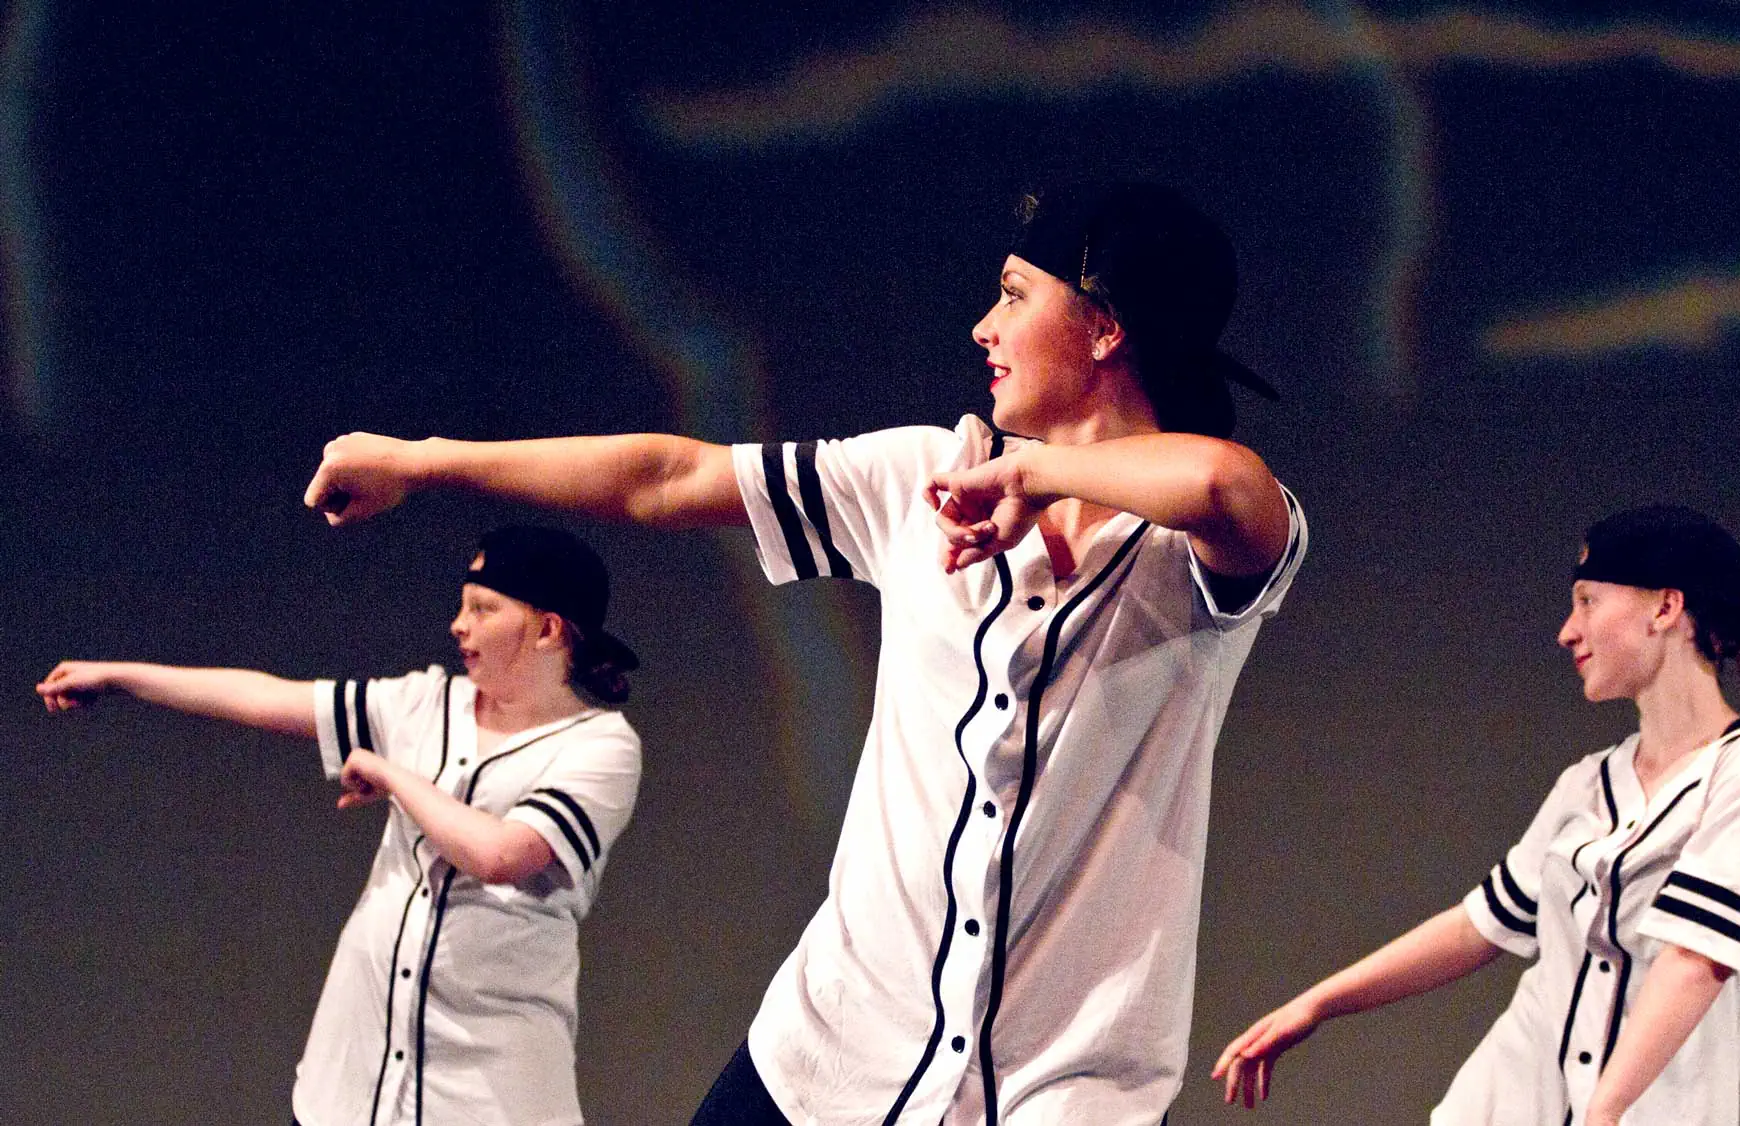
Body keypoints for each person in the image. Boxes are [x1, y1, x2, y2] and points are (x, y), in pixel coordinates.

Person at [300, 182, 1309, 1125]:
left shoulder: (1194, 554)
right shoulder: (919, 477)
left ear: (1103, 325)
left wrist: (1039, 474)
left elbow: (1223, 483)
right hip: (827, 1061)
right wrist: (423, 461)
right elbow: (667, 476)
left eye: (1012, 296)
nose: (983, 328)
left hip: (1065, 1092)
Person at [1212, 505, 1740, 1126]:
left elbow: (1693, 962)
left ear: (1665, 608)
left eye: (1588, 601)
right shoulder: (1588, 783)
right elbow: (1481, 925)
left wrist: (1603, 1113)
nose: (1568, 632)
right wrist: (1316, 1005)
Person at [36, 525, 644, 1126]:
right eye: (462, 606)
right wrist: (120, 676)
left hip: (488, 1091)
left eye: (482, 609)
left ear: (547, 629)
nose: (459, 625)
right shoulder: (426, 704)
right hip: (353, 1083)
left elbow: (500, 855)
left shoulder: (600, 746)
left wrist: (391, 775)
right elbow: (269, 699)